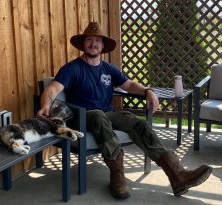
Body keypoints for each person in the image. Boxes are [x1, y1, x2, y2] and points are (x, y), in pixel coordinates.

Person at [37, 22, 212, 199]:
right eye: (89, 40)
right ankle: (117, 178)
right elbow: (52, 89)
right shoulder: (72, 68)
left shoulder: (108, 69)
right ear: (83, 44)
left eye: (97, 40)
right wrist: (45, 106)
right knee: (98, 116)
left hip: (107, 113)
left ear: (103, 46)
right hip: (82, 116)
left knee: (137, 123)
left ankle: (178, 175)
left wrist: (147, 90)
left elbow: (128, 85)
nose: (93, 44)